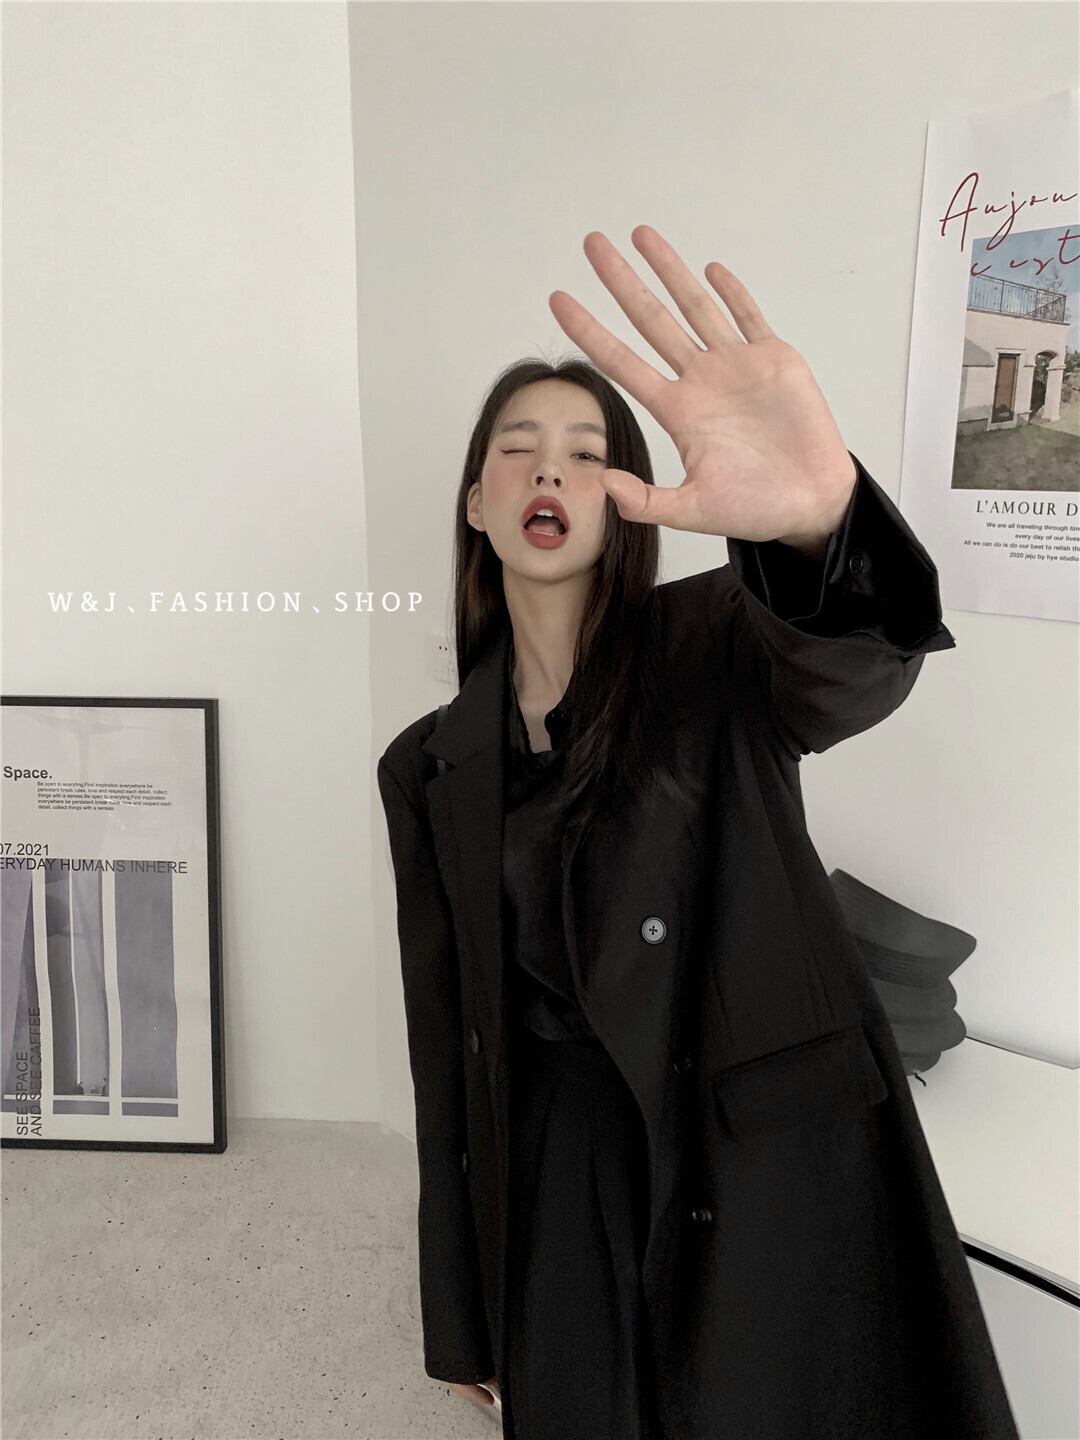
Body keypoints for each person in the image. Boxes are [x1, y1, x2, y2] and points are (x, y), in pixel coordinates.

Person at [377, 226, 1020, 1439]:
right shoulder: (426, 764)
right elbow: (446, 1050)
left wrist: (820, 526)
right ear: (477, 502)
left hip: (760, 1158)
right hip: (560, 1173)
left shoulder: (716, 639)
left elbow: (854, 671)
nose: (549, 471)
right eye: (517, 450)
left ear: (627, 500)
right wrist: (459, 1311)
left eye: (586, 452)